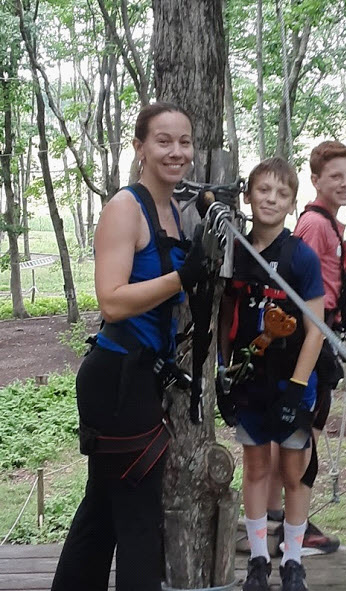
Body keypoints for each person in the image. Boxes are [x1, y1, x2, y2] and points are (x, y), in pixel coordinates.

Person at [51, 101, 208, 591]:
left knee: (102, 510)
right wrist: (182, 276)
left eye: (184, 141)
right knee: (139, 519)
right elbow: (113, 301)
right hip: (116, 378)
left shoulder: (176, 212)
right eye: (163, 141)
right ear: (140, 147)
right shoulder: (126, 208)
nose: (176, 151)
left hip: (138, 375)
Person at [219, 157, 325, 591]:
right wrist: (225, 374)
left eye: (282, 194)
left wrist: (298, 388)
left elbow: (317, 328)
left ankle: (293, 560)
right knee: (256, 467)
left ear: (291, 203)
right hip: (249, 381)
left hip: (291, 381)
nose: (271, 199)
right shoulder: (236, 254)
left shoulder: (300, 256)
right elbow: (226, 317)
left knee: (294, 472)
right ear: (248, 195)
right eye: (263, 190)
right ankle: (259, 559)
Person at [267, 140, 346, 555]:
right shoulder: (315, 225)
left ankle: (281, 519)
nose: (345, 183)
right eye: (335, 176)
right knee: (300, 430)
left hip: (327, 334)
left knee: (300, 430)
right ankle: (284, 520)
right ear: (316, 180)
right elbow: (296, 283)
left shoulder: (331, 224)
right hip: (311, 339)